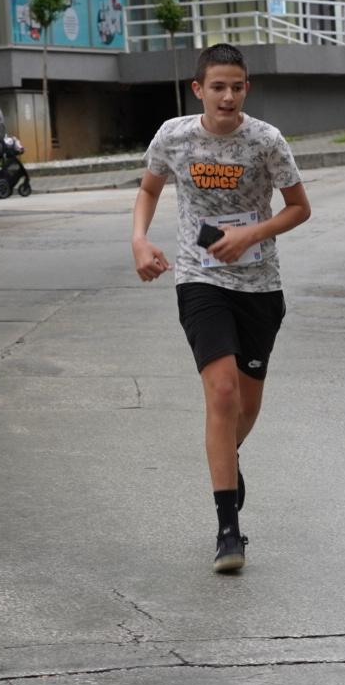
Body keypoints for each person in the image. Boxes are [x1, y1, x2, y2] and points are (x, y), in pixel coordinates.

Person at [130, 43, 311, 574]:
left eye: (236, 87)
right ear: (198, 90)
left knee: (245, 409)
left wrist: (253, 231)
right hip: (199, 277)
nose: (227, 96)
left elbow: (300, 207)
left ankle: (225, 464)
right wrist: (140, 241)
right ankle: (228, 529)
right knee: (223, 391)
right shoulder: (174, 136)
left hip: (259, 285)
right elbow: (147, 190)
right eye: (217, 87)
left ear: (246, 89)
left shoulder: (266, 141)